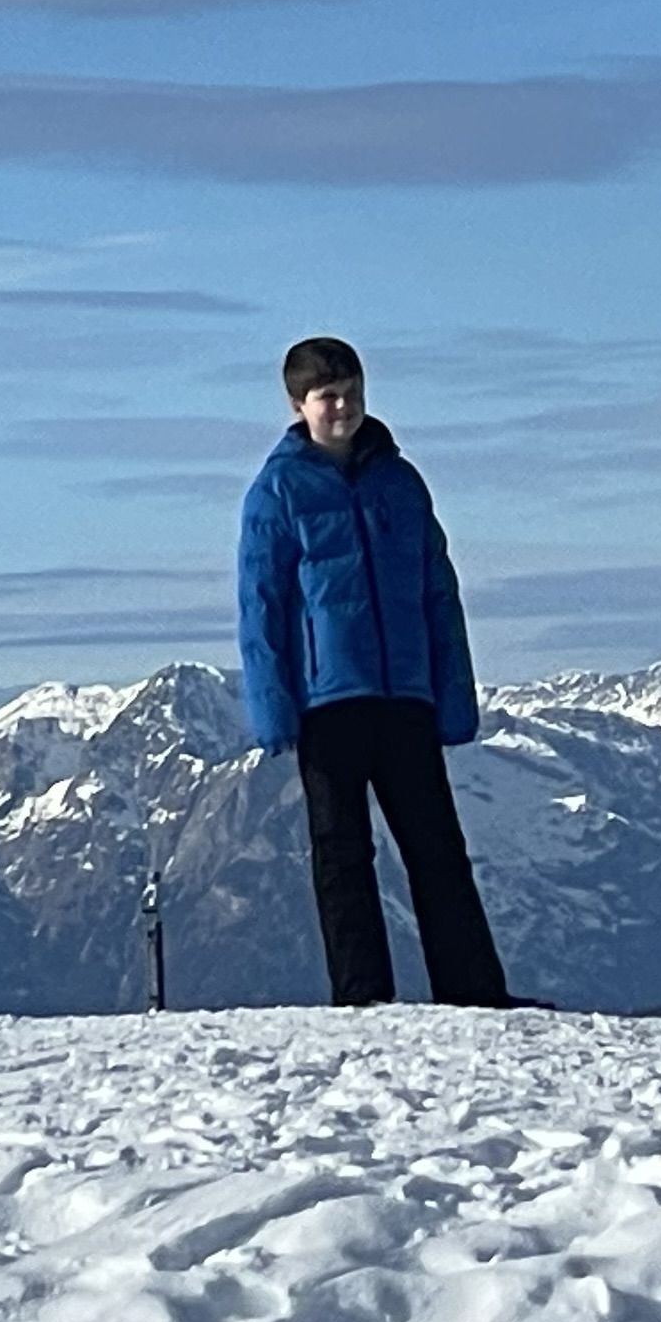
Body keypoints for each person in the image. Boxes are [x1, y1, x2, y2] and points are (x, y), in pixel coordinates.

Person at [236, 335, 512, 1007]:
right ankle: (362, 998)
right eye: (328, 396)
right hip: (327, 699)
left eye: (353, 393)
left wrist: (453, 696)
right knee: (342, 853)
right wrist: (273, 709)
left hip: (405, 693)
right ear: (298, 405)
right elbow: (261, 605)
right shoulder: (277, 492)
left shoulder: (401, 482)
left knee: (437, 848)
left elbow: (438, 592)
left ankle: (475, 992)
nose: (344, 407)